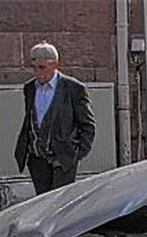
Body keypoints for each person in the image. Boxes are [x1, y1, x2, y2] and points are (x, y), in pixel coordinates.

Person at [14, 42, 95, 195]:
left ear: (55, 65)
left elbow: (88, 125)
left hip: (63, 157)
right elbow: (31, 119)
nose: (38, 72)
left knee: (60, 201)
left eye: (42, 67)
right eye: (34, 67)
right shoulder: (30, 88)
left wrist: (76, 154)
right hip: (37, 157)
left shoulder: (73, 88)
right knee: (43, 201)